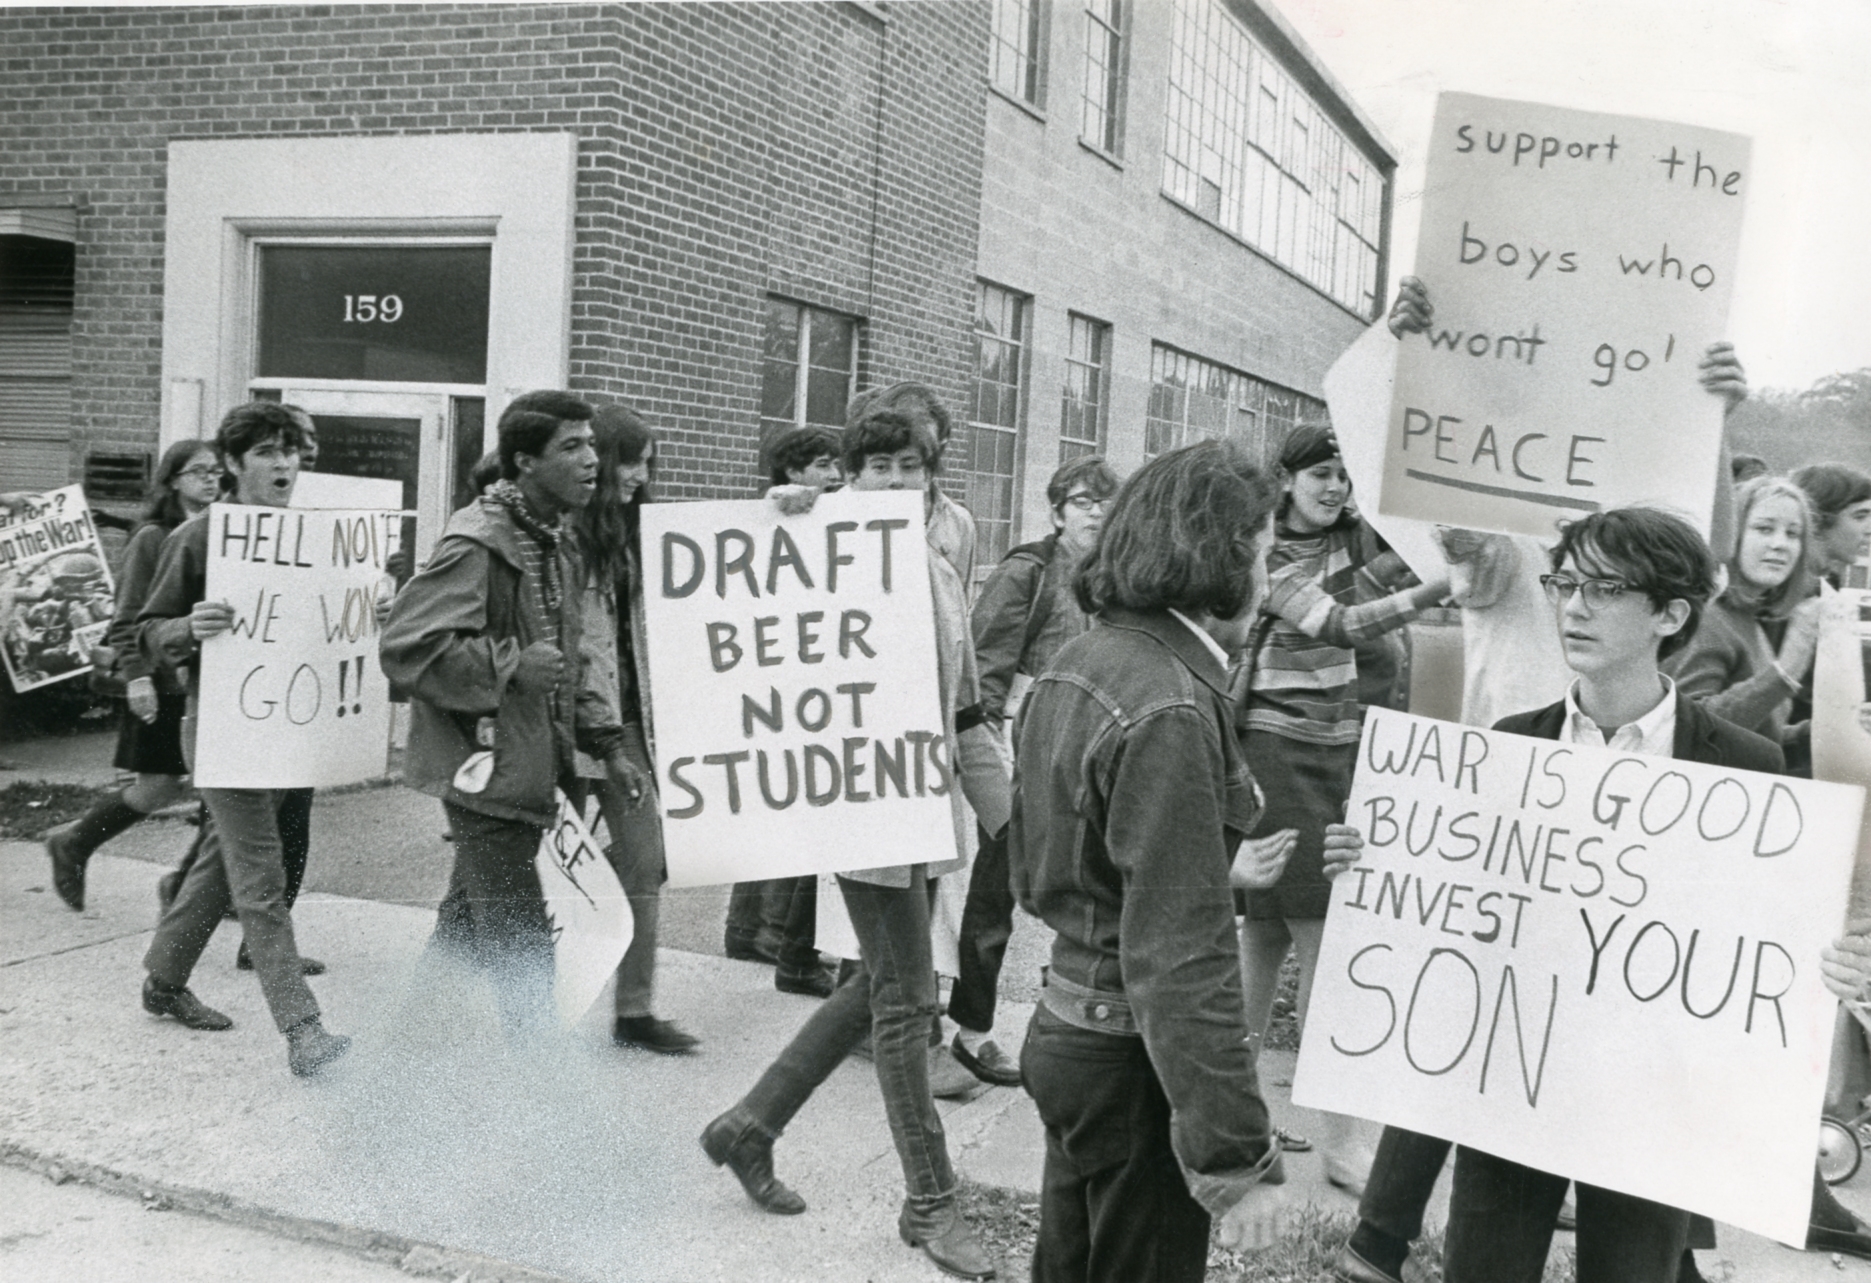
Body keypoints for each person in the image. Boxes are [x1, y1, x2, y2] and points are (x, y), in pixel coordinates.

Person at [1436, 505, 1871, 1281]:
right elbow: (1454, 903)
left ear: (1669, 613)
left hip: (1656, 1102)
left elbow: (1769, 932)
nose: (1571, 606)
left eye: (1602, 589)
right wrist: (1373, 861)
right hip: (1511, 1078)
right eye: (1564, 581)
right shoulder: (1510, 742)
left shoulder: (1742, 762)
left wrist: (1831, 962)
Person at [1011, 439, 1367, 1280]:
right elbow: (1179, 952)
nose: (1264, 567)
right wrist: (1235, 1161)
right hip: (1130, 1062)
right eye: (1258, 549)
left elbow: (1051, 866)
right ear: (1217, 556)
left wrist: (1213, 867)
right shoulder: (1168, 699)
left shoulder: (1083, 660)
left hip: (1068, 1031)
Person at [701, 409, 1004, 1282]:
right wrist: (782, 513)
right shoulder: (811, 539)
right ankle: (930, 1200)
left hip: (919, 800)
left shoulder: (941, 568)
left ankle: (749, 1125)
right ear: (848, 474)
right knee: (909, 1000)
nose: (896, 482)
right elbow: (751, 574)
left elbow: (965, 708)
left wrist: (1011, 817)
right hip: (858, 804)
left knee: (882, 977)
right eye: (877, 466)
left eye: (912, 467)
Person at [380, 391, 643, 1034]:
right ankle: (537, 1093)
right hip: (485, 771)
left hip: (533, 761)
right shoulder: (479, 540)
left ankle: (406, 1048)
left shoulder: (556, 540)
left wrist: (607, 745)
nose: (592, 462)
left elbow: (566, 660)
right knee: (522, 942)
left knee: (468, 919)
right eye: (572, 448)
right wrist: (510, 667)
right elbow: (407, 646)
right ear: (524, 461)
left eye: (592, 445)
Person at [1234, 421, 1449, 1192]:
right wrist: (1436, 587)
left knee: (1260, 948)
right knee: (1327, 946)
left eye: (1342, 476)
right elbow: (1342, 622)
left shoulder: (1351, 547)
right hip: (1276, 757)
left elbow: (1401, 566)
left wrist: (1450, 547)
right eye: (1319, 474)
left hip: (1336, 756)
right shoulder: (1265, 553)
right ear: (1284, 479)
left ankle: (1230, 1121)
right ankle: (1344, 1143)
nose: (1334, 488)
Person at [134, 402, 349, 1077]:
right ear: (231, 463)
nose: (284, 464)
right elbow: (142, 631)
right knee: (261, 876)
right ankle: (303, 1028)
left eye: (290, 451)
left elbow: (333, 619)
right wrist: (185, 627)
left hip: (289, 729)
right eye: (265, 452)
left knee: (220, 862)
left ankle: (163, 980)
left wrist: (367, 606)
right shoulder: (199, 539)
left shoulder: (313, 537)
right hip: (226, 732)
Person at [946, 454, 1118, 1089]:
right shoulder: (1031, 572)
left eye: (1105, 502)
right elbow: (982, 669)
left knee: (1081, 899)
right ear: (1055, 512)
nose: (1095, 512)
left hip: (1085, 762)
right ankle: (970, 1034)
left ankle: (1072, 1034)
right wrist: (987, 756)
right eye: (1081, 501)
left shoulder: (1117, 582)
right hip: (1015, 755)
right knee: (991, 901)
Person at [566, 403, 699, 1053]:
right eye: (633, 459)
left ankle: (633, 1008)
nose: (641, 475)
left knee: (646, 859)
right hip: (564, 727)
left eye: (650, 462)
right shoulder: (560, 534)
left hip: (631, 723)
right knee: (515, 874)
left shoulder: (648, 536)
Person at [42, 440, 222, 911]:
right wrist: (139, 678)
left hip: (207, 682)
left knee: (221, 787)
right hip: (161, 683)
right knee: (158, 786)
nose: (211, 479)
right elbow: (126, 620)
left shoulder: (222, 532)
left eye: (217, 472)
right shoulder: (152, 536)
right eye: (199, 471)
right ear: (173, 479)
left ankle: (184, 885)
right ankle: (75, 842)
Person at [723, 424, 843, 996]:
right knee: (783, 806)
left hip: (794, 674)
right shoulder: (783, 512)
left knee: (778, 806)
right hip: (777, 677)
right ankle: (765, 929)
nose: (834, 475)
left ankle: (750, 928)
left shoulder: (826, 514)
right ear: (793, 473)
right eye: (822, 464)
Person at [1664, 475, 1822, 747]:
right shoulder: (1706, 617)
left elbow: (1758, 742)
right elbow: (1691, 731)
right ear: (1731, 536)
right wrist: (1785, 672)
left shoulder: (1746, 620)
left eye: (1792, 534)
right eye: (1764, 528)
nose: (1780, 544)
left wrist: (1822, 734)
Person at [1791, 463, 1871, 587]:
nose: (1869, 530)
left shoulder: (1826, 581)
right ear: (1817, 519)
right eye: (1860, 517)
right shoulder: (1784, 585)